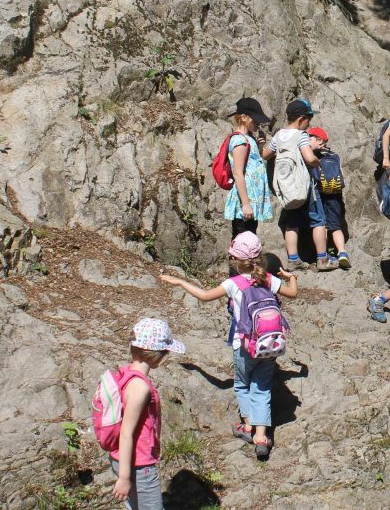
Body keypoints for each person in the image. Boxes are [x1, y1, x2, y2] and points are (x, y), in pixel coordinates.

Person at [160, 232, 298, 457]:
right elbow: (292, 293)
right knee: (261, 388)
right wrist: (290, 277)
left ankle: (248, 426)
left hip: (244, 345)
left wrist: (179, 281)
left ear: (235, 260)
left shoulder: (232, 284)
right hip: (269, 344)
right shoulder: (268, 278)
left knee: (243, 385)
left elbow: (204, 296)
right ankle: (262, 437)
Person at [110, 318, 186, 509]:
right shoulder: (140, 388)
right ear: (156, 354)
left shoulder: (126, 373)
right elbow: (127, 433)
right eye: (165, 352)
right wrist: (125, 478)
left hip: (123, 459)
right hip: (138, 465)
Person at [261, 98, 333, 271]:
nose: (309, 123)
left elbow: (266, 154)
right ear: (301, 119)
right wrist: (318, 162)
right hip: (305, 186)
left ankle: (293, 259)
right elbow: (309, 157)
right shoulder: (301, 136)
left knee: (292, 222)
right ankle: (323, 259)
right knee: (318, 220)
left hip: (288, 188)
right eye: (309, 119)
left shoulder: (278, 135)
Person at [223, 97, 273, 237]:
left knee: (249, 238)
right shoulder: (239, 140)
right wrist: (246, 204)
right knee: (242, 240)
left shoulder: (249, 138)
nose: (258, 123)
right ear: (244, 117)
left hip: (251, 201)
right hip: (244, 203)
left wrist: (260, 143)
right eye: (255, 120)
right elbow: (238, 173)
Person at [307, 126, 351, 270]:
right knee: (335, 226)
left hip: (319, 194)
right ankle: (342, 252)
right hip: (335, 196)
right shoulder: (334, 156)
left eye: (309, 138)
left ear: (319, 140)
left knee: (320, 225)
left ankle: (323, 253)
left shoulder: (313, 155)